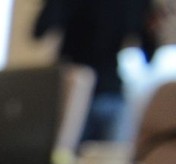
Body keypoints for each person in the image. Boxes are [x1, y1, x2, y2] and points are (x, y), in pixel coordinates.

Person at [32, 0, 157, 141]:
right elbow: (149, 52)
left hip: (102, 92)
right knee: (65, 150)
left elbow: (40, 29)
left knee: (74, 150)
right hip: (80, 91)